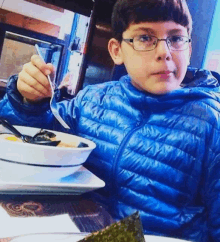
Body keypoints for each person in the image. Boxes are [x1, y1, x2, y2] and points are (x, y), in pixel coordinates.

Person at [1, 0, 220, 241]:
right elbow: (38, 138)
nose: (164, 52)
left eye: (176, 38)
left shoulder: (211, 123)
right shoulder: (92, 100)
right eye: (145, 38)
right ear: (117, 51)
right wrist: (29, 103)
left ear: (189, 48)